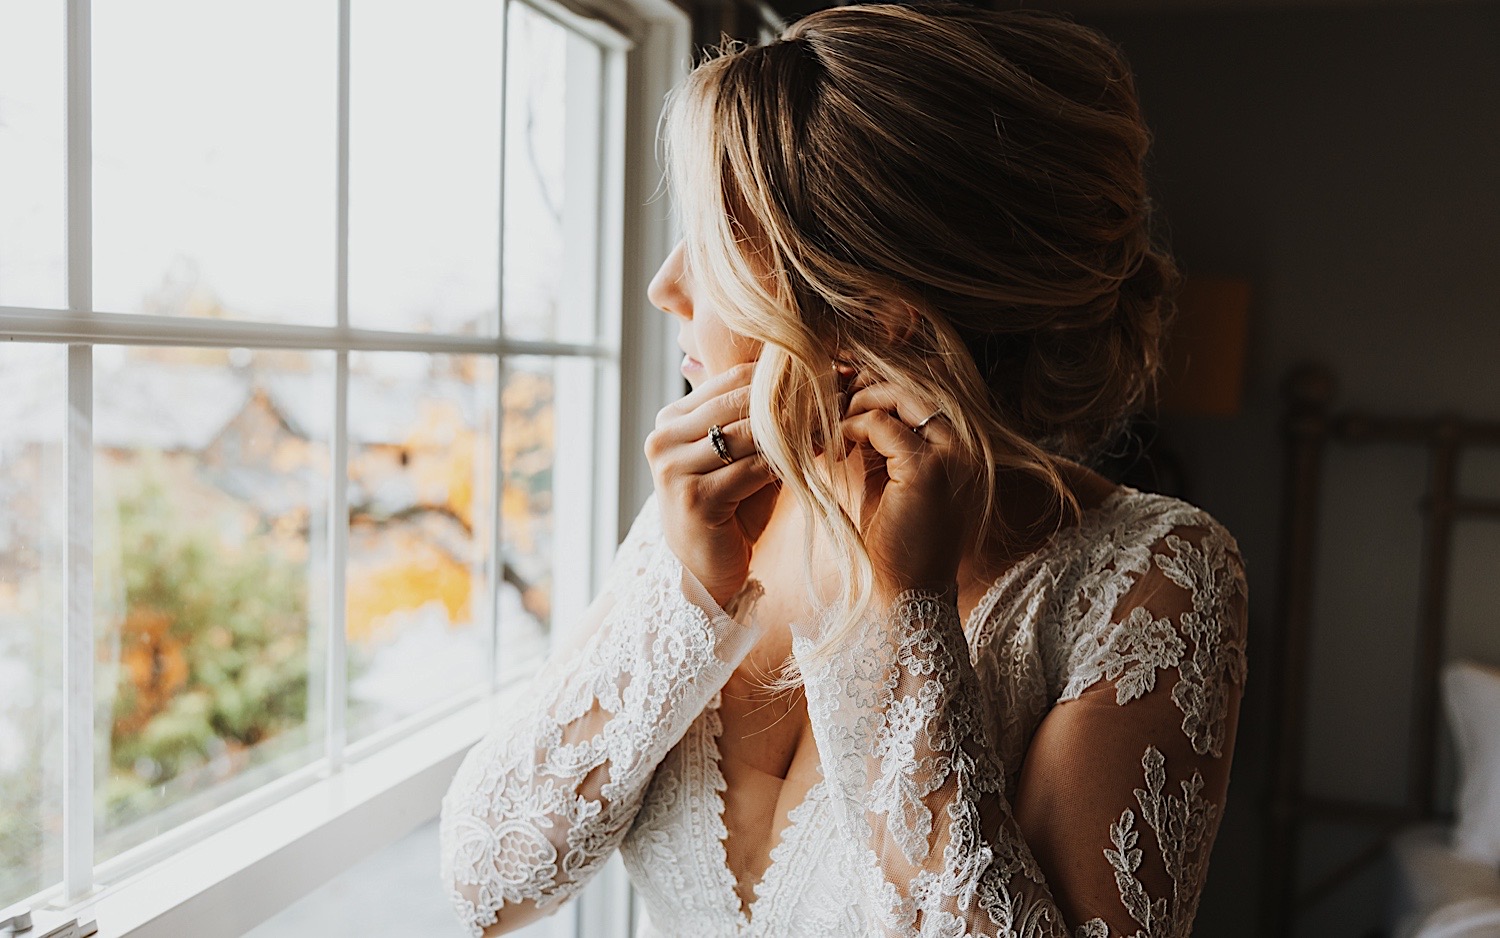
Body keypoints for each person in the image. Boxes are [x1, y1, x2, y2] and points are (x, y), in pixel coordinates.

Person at [439, 4, 1248, 936]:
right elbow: (482, 885)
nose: (667, 285)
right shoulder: (719, 506)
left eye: (714, 240)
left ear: (878, 307)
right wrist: (683, 590)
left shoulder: (1152, 581)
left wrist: (908, 616)